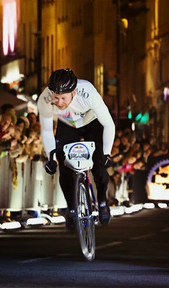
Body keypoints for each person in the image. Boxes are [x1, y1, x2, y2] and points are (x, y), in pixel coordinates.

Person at [37, 68, 115, 226]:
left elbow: (108, 124)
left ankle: (102, 201)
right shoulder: (44, 98)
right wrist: (51, 157)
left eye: (63, 98)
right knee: (64, 165)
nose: (59, 102)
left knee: (99, 167)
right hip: (67, 124)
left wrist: (106, 154)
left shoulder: (88, 92)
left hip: (92, 123)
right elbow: (46, 130)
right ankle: (71, 208)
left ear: (73, 93)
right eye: (56, 98)